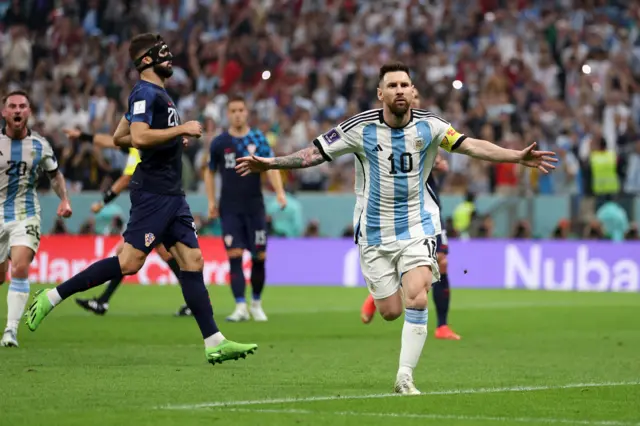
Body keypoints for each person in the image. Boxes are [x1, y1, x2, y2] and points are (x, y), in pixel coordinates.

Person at [235, 62, 557, 393]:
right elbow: (314, 154)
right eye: (392, 86)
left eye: (405, 84)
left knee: (417, 296)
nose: (399, 90)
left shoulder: (431, 126)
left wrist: (516, 156)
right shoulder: (358, 128)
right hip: (373, 233)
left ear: (412, 91)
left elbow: (472, 145)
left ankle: (405, 375)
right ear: (381, 94)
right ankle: (384, 297)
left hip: (418, 226)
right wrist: (271, 163)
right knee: (391, 311)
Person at [25, 33, 257, 364]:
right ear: (146, 61)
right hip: (153, 193)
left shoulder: (153, 94)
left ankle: (214, 341)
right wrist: (179, 131)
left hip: (172, 194)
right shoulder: (147, 93)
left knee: (193, 262)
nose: (170, 58)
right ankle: (51, 296)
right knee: (129, 263)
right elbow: (137, 136)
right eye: (163, 54)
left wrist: (171, 141)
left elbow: (122, 136)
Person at [174, 95, 286, 322]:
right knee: (234, 256)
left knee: (259, 257)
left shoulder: (258, 138)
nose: (237, 114)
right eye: (233, 110)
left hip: (255, 207)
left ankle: (256, 303)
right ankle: (240, 307)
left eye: (241, 110)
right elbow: (210, 171)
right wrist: (212, 202)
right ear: (228, 114)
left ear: (247, 113)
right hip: (230, 208)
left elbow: (272, 166)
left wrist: (280, 192)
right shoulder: (220, 143)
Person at [360, 90, 461, 340]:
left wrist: (437, 162)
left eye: (415, 96)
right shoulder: (384, 133)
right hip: (403, 213)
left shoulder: (426, 128)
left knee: (443, 263)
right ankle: (381, 292)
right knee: (412, 265)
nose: (411, 100)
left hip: (429, 208)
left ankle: (443, 325)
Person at [61, 128, 186, 315]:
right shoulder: (143, 143)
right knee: (155, 254)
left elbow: (126, 178)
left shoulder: (140, 149)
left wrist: (103, 202)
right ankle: (103, 301)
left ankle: (195, 299)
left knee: (148, 255)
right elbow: (107, 140)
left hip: (153, 208)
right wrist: (83, 136)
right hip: (158, 206)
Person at [0, 90, 72, 347]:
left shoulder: (40, 145)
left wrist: (64, 199)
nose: (17, 110)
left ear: (28, 111)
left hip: (26, 214)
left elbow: (54, 175)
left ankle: (10, 331)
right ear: (4, 112)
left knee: (20, 266)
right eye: (12, 106)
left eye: (22, 106)